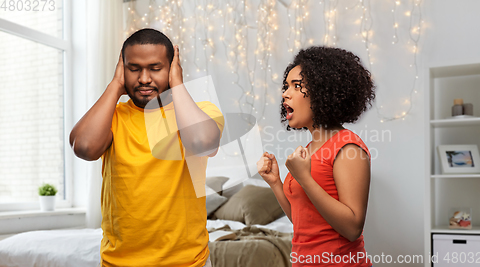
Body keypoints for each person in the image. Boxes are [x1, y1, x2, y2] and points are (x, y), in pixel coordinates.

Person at [69, 28, 224, 267]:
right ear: (122, 69)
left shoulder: (202, 112)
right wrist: (115, 85)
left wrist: (177, 84)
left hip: (188, 263)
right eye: (133, 69)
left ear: (172, 68)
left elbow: (203, 143)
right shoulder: (113, 117)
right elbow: (85, 148)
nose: (143, 79)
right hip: (119, 263)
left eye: (155, 68)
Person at [257, 46, 375, 267]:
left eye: (296, 86)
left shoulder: (348, 146)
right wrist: (275, 183)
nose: (285, 93)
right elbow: (302, 221)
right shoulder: (310, 148)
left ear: (323, 91)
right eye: (286, 86)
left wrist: (304, 178)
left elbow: (352, 228)